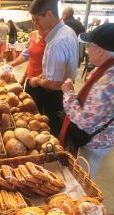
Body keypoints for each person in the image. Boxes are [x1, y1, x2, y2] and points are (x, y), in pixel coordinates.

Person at [59, 23, 114, 179]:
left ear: (100, 50)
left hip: (97, 140)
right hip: (108, 132)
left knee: (82, 176)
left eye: (89, 46)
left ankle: (82, 198)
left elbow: (84, 121)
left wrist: (69, 94)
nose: (86, 50)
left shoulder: (107, 82)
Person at [28, 0, 79, 136]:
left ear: (49, 14)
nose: (35, 24)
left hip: (54, 94)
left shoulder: (56, 42)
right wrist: (40, 76)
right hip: (65, 90)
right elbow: (54, 71)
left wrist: (37, 81)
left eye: (37, 19)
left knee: (50, 132)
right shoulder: (68, 31)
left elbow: (55, 84)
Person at [10, 29, 48, 101]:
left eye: (37, 19)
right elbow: (30, 57)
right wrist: (24, 77)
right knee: (28, 107)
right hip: (30, 81)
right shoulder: (34, 34)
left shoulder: (52, 36)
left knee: (41, 111)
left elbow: (55, 65)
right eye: (33, 19)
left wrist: (38, 79)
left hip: (43, 83)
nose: (35, 23)